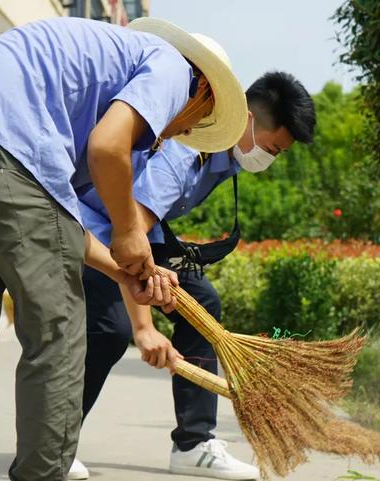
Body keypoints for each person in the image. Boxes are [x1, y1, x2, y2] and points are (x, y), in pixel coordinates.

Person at [0, 16, 247, 481]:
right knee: (59, 337)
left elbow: (58, 225)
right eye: (194, 124)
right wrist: (131, 232)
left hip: (6, 152)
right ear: (204, 92)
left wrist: (124, 270)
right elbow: (107, 148)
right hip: (11, 150)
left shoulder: (88, 72)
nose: (176, 134)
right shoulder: (175, 70)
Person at [70, 72, 316, 480]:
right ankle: (56, 442)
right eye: (273, 149)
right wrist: (144, 326)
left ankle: (194, 444)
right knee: (111, 330)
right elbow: (129, 234)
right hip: (92, 230)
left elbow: (149, 228)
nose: (270, 160)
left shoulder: (224, 158)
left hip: (134, 231)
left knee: (203, 302)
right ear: (248, 119)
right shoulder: (187, 151)